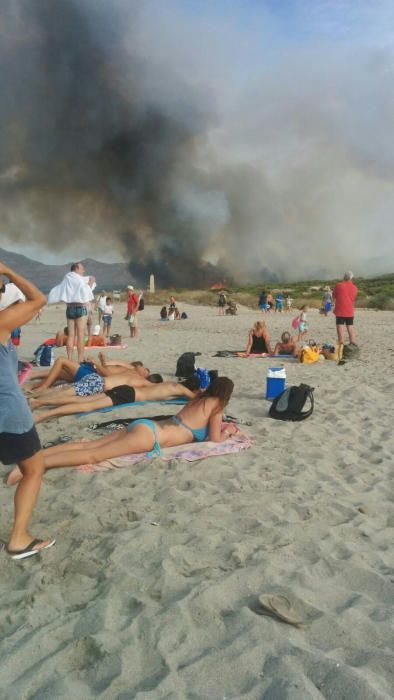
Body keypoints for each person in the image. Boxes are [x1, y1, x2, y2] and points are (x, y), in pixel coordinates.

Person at [9, 378, 237, 476]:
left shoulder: (195, 400)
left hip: (147, 425)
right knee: (93, 455)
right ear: (226, 395)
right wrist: (229, 431)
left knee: (90, 445)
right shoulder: (217, 409)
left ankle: (31, 458)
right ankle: (31, 467)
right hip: (151, 437)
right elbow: (215, 439)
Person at [0, 262, 54, 559]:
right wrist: (8, 270)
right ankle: (19, 538)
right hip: (8, 411)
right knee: (33, 469)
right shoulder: (1, 323)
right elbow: (39, 298)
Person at [31, 377, 199, 424]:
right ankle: (41, 416)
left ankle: (39, 403)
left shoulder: (170, 383)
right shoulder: (180, 389)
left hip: (125, 389)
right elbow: (196, 399)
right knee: (85, 406)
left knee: (82, 400)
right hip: (128, 396)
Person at [27, 354, 150, 395]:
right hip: (93, 372)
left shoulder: (131, 374)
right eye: (145, 368)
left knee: (61, 361)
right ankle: (36, 385)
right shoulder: (130, 368)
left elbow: (108, 374)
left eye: (145, 371)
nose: (144, 368)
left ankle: (42, 387)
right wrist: (101, 360)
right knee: (61, 373)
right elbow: (108, 367)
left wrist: (96, 363)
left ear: (142, 376)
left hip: (93, 375)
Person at [48, 262, 96, 363]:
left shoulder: (67, 278)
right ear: (76, 268)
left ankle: (69, 359)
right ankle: (80, 359)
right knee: (80, 335)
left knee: (71, 335)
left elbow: (60, 288)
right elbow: (85, 290)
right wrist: (90, 283)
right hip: (80, 307)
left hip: (70, 308)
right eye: (82, 269)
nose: (83, 271)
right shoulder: (79, 280)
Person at [333, 272, 358, 344]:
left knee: (340, 327)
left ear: (344, 277)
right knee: (350, 327)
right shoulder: (355, 288)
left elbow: (334, 296)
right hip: (350, 310)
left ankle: (341, 344)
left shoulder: (339, 285)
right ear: (352, 278)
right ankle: (352, 344)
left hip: (340, 310)